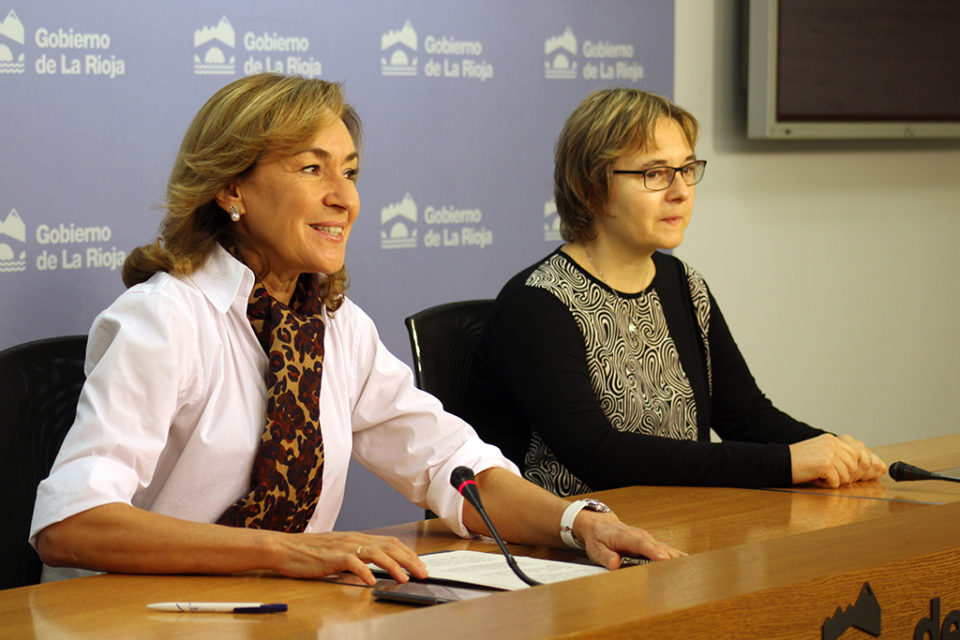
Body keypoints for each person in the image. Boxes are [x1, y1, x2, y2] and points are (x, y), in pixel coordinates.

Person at [29, 74, 683, 585]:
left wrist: (579, 522)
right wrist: (291, 554)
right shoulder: (164, 317)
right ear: (232, 188)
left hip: (273, 608)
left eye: (350, 171)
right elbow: (70, 524)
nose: (345, 196)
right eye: (313, 168)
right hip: (124, 615)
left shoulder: (335, 325)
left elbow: (452, 467)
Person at [466, 88, 886, 498]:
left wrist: (835, 450)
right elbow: (598, 454)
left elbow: (746, 416)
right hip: (564, 547)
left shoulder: (683, 284)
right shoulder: (538, 303)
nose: (681, 191)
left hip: (677, 527)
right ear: (588, 186)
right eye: (655, 173)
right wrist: (786, 463)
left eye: (687, 169)